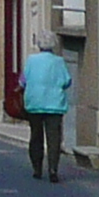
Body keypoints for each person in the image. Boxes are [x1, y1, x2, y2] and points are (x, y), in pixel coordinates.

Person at [20, 30, 74, 181]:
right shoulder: (59, 62)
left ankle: (37, 168)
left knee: (36, 136)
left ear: (38, 45)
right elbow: (67, 81)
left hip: (34, 103)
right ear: (54, 45)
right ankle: (53, 170)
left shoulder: (31, 60)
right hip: (55, 104)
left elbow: (22, 81)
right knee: (54, 138)